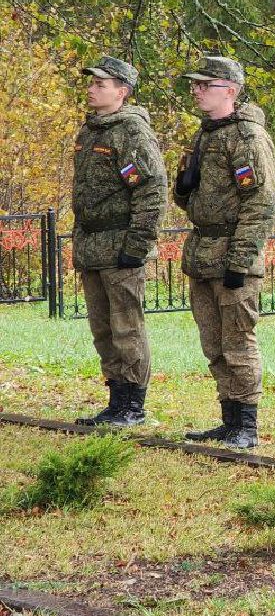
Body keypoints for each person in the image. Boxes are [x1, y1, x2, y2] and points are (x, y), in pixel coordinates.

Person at [174, 56, 275, 449]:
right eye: (195, 85)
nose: (197, 90)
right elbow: (200, 201)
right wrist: (184, 189)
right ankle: (228, 418)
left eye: (206, 85)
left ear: (230, 91)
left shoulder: (247, 138)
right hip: (204, 251)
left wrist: (240, 260)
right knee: (213, 342)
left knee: (238, 341)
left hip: (234, 254)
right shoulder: (205, 135)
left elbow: (262, 203)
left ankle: (246, 424)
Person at [71, 56, 168, 428]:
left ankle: (132, 404)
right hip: (93, 244)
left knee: (127, 326)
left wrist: (137, 243)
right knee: (102, 328)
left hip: (121, 243)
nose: (92, 89)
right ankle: (116, 400)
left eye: (101, 84)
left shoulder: (131, 131)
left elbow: (150, 188)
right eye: (91, 83)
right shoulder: (90, 131)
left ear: (122, 91)